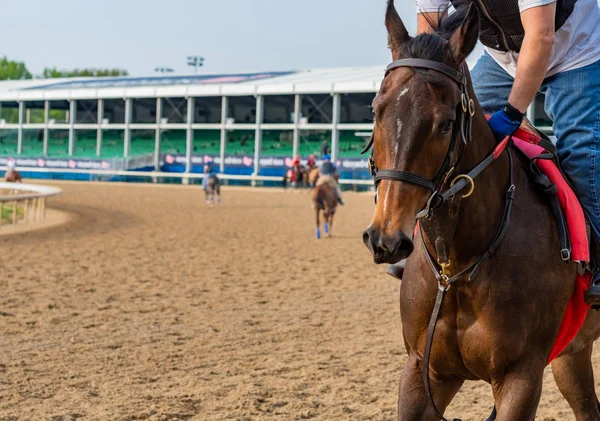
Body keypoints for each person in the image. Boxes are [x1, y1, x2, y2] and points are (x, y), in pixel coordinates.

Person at [387, 0, 600, 304]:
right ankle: (419, 242)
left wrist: (513, 113)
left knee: (581, 152)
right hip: (502, 60)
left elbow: (540, 37)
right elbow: (431, 47)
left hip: (577, 53)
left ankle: (599, 261)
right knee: (447, 138)